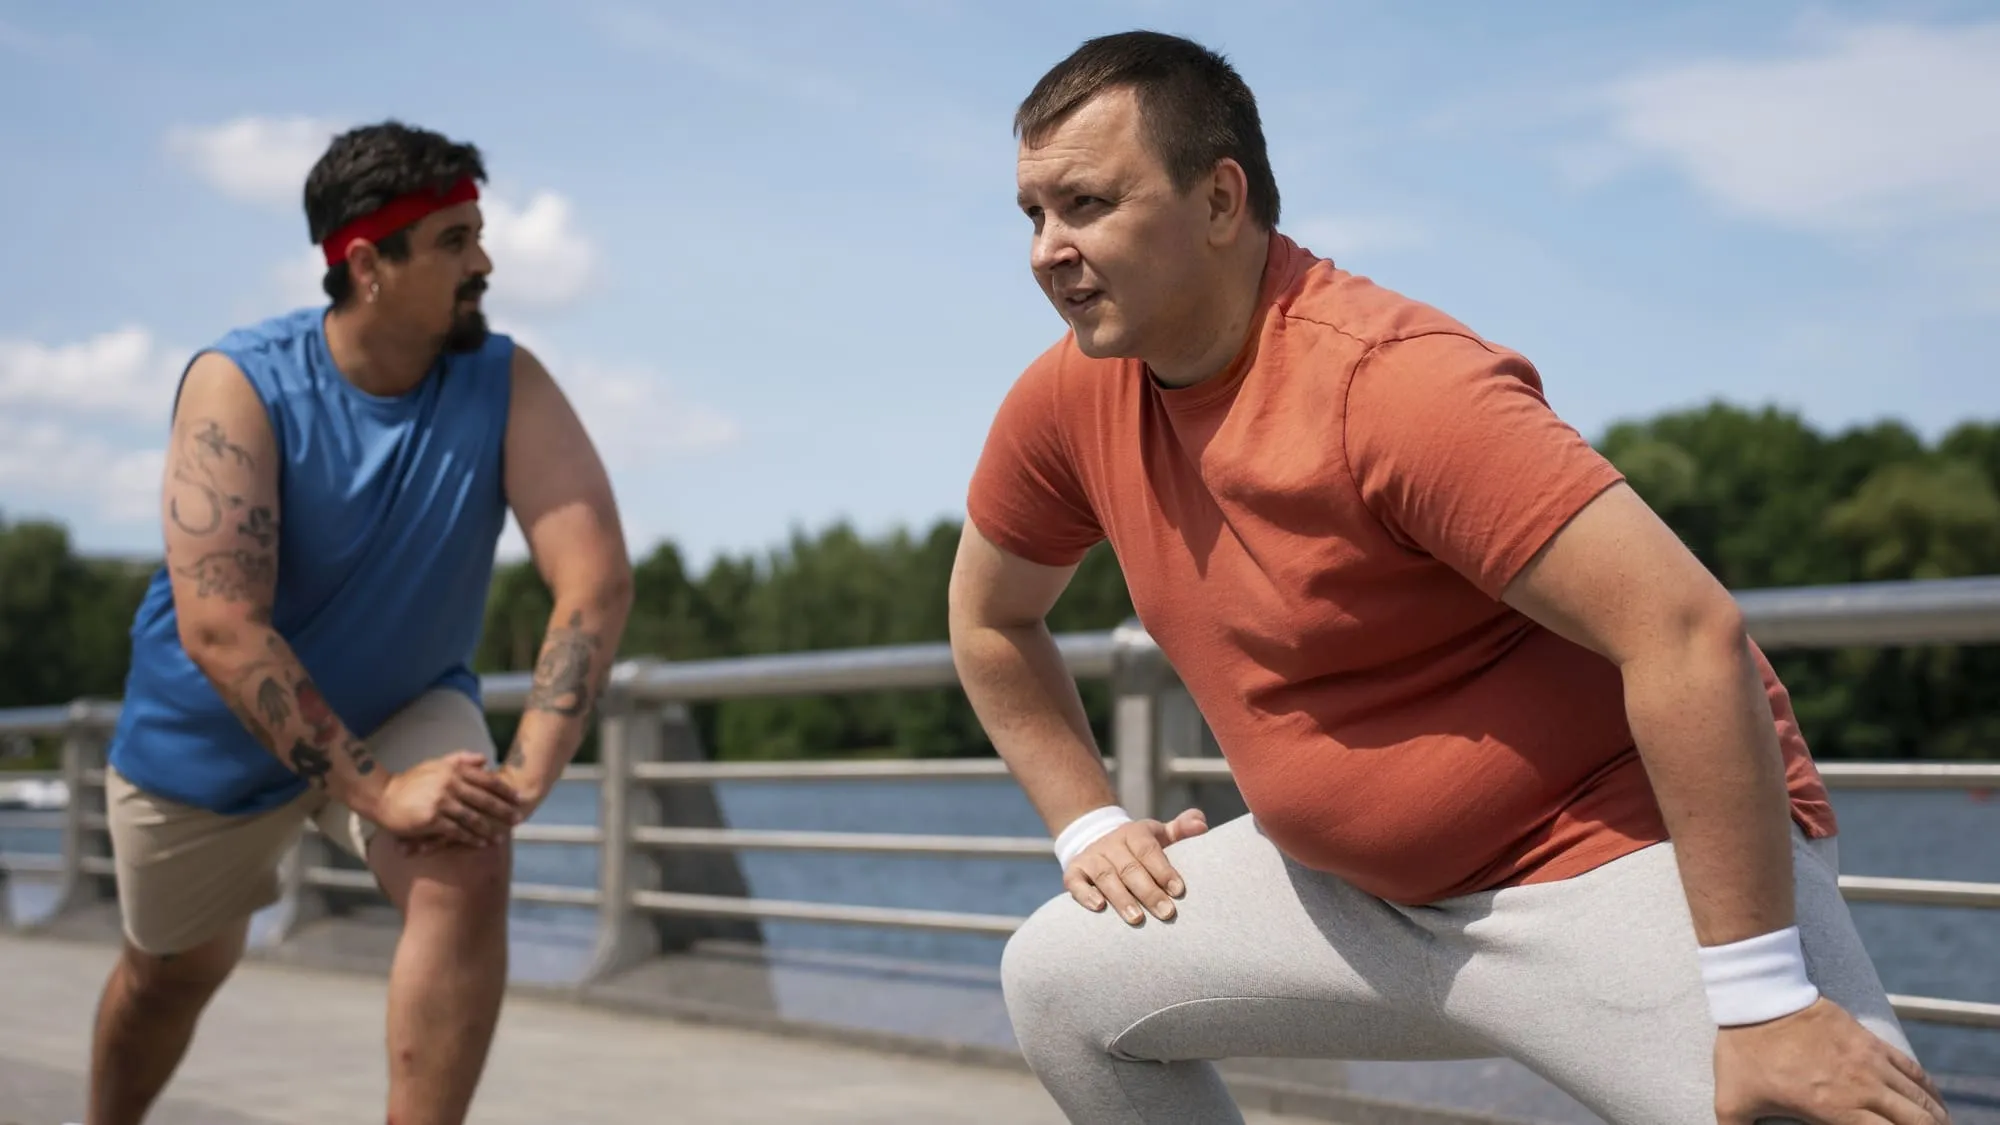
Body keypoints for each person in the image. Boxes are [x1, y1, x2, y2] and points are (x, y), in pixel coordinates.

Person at [949, 30, 1952, 1125]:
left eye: (1086, 204)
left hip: (1611, 864)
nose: (1048, 249)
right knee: (1058, 982)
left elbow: (1682, 632)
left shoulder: (1389, 384)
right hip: (1351, 903)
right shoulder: (1066, 403)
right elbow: (992, 620)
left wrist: (1761, 1001)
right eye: (1032, 215)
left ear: (1219, 201)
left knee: (1814, 1114)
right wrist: (1087, 824)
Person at [82, 120, 633, 1125]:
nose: (486, 261)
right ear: (367, 263)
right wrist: (376, 794)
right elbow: (221, 628)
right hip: (206, 742)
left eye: (480, 232)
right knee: (171, 976)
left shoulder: (504, 380)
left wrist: (525, 775)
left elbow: (591, 580)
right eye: (455, 241)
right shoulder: (239, 383)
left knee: (467, 853)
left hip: (401, 705)